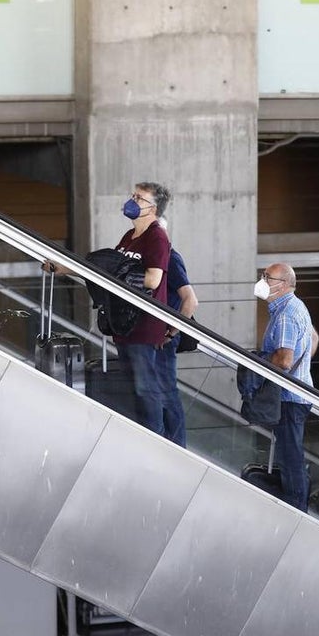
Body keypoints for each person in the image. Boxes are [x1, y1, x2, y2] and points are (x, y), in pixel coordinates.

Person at [110, 182, 186, 445]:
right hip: (124, 326)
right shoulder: (129, 237)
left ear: (153, 208)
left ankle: (156, 444)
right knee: (136, 392)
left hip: (144, 327)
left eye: (139, 198)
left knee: (147, 391)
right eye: (132, 195)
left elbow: (153, 280)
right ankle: (146, 441)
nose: (132, 201)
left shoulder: (157, 237)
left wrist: (119, 276)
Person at [256, 262, 318, 511]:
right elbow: (313, 337)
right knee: (290, 456)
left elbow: (284, 359)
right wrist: (302, 371)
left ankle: (296, 511)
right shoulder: (294, 306)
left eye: (267, 277)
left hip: (290, 399)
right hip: (296, 394)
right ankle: (295, 505)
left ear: (282, 285)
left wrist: (258, 360)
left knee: (290, 459)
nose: (262, 281)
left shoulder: (285, 315)